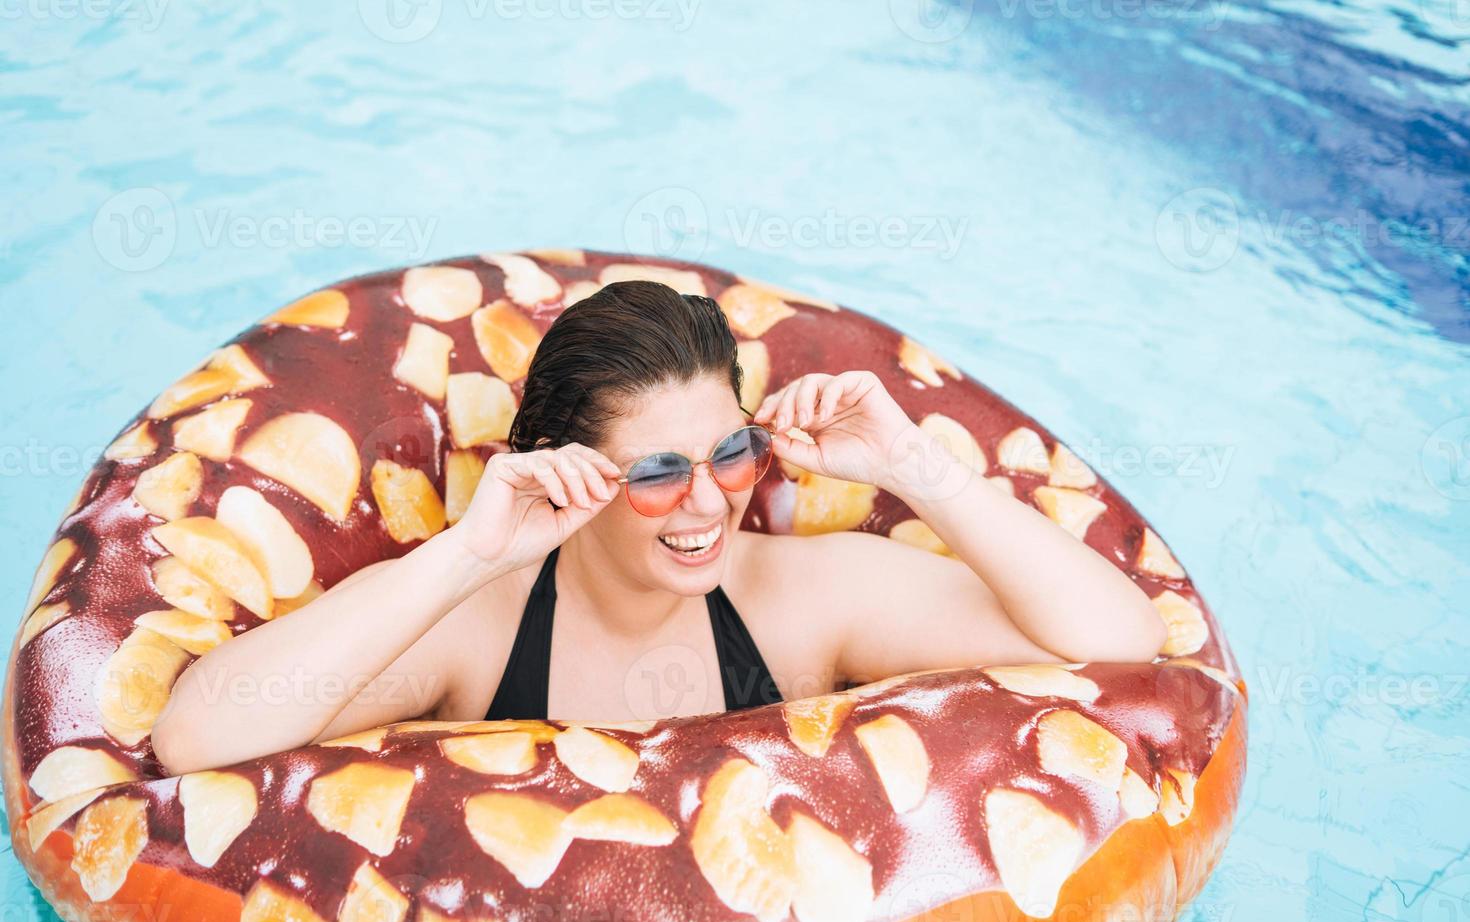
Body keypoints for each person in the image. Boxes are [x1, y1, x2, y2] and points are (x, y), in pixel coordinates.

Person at [152, 281, 1167, 776]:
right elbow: (196, 736)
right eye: (657, 472)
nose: (708, 501)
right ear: (573, 468)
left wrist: (916, 469)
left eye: (731, 453)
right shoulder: (484, 620)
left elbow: (1118, 641)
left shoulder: (800, 601)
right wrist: (469, 552)